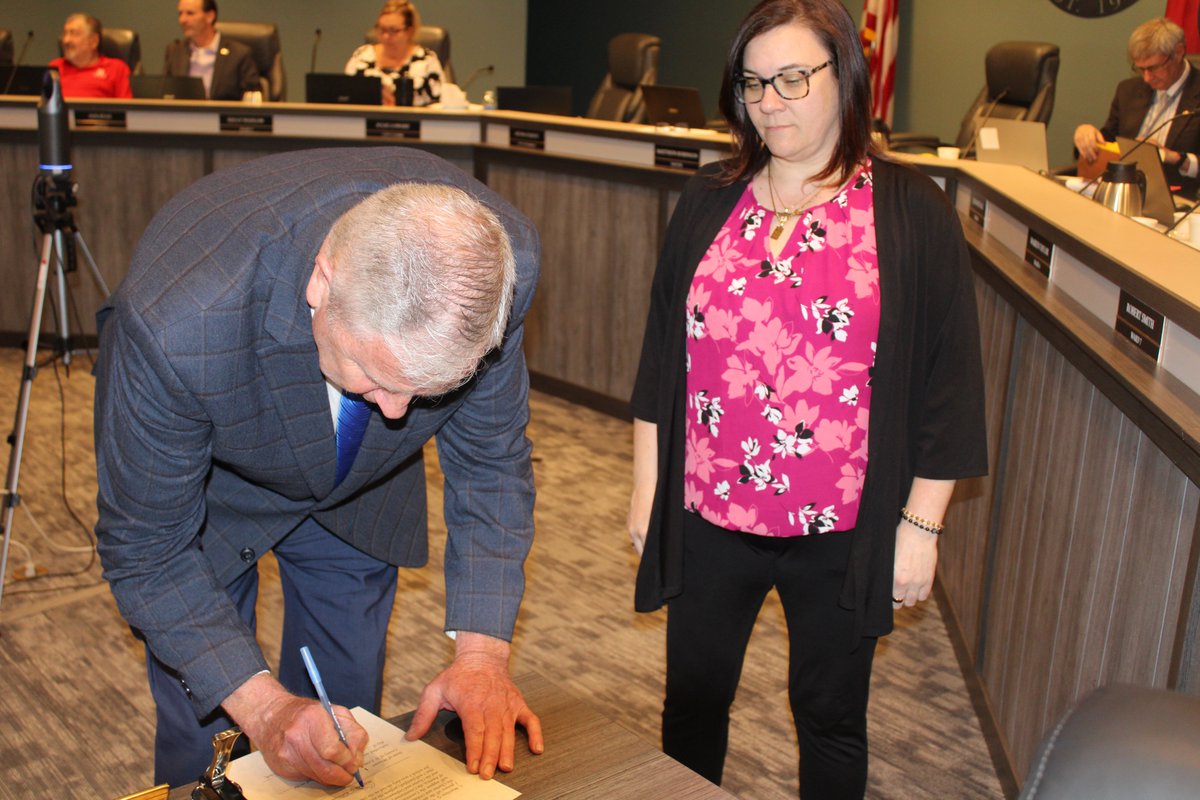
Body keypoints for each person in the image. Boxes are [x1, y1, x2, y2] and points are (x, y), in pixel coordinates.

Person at [93, 147, 544, 788]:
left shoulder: (496, 269)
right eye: (375, 375)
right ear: (320, 283)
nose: (397, 414)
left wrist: (480, 656)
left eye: (427, 389)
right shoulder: (178, 324)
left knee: (342, 721)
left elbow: (492, 463)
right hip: (207, 481)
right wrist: (266, 709)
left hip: (361, 482)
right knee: (211, 727)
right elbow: (148, 549)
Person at [626, 0, 987, 796]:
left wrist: (921, 526)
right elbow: (663, 357)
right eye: (754, 83)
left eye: (793, 78)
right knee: (693, 700)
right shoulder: (708, 200)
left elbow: (949, 383)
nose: (770, 102)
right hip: (708, 510)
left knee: (828, 715)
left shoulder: (909, 210)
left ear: (844, 77)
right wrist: (649, 487)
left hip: (843, 526)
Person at [1074, 17, 1200, 198]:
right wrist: (1086, 135)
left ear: (1178, 53)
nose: (1147, 78)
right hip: (1121, 194)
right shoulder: (1128, 90)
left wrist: (1174, 157)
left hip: (1176, 200)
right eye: (1140, 69)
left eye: (1153, 68)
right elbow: (1108, 140)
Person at [345, 0, 444, 106]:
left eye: (393, 31)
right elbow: (345, 95)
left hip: (415, 121)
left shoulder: (427, 61)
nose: (386, 36)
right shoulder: (362, 56)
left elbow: (440, 103)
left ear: (409, 31)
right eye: (382, 30)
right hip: (364, 120)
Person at [164, 0, 261, 100]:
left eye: (190, 13)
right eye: (180, 14)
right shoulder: (175, 51)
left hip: (222, 114)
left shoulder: (238, 54)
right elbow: (165, 93)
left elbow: (252, 98)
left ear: (209, 16)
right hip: (182, 114)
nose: (182, 20)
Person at [49, 13, 132, 99]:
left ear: (94, 41)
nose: (66, 40)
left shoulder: (116, 69)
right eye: (65, 34)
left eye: (74, 34)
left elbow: (127, 109)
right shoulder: (55, 67)